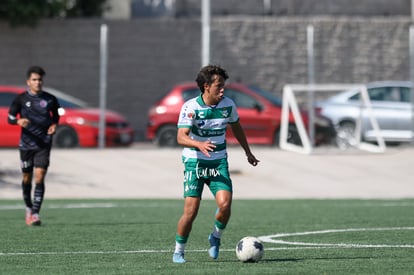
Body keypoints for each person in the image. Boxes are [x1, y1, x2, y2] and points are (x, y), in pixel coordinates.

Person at [172, 65, 259, 263]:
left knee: (225, 205)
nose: (223, 90)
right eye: (218, 86)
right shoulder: (190, 107)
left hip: (218, 162)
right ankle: (179, 250)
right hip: (194, 163)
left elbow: (237, 129)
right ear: (206, 87)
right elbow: (181, 136)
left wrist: (248, 152)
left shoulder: (228, 105)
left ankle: (215, 237)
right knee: (191, 211)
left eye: (224, 86)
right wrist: (198, 144)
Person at [8, 66, 60, 226]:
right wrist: (18, 121)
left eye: (40, 80)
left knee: (40, 176)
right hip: (26, 145)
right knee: (26, 177)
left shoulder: (50, 99)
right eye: (34, 80)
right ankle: (28, 208)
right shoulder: (20, 99)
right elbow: (9, 118)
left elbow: (56, 116)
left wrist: (54, 125)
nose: (37, 82)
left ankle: (35, 213)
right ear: (28, 82)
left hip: (43, 143)